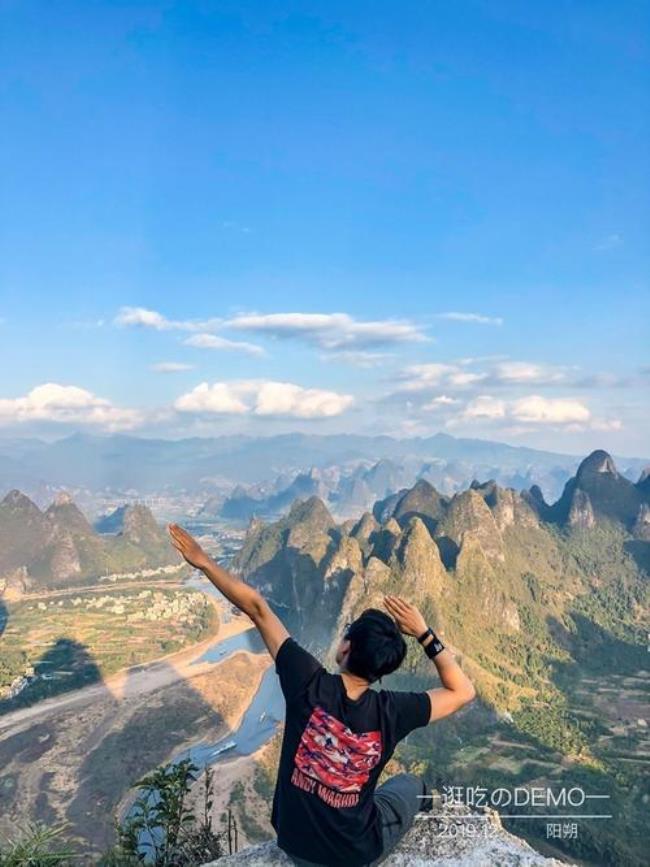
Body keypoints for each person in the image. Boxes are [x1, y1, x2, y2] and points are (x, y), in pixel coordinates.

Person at [168, 523, 476, 867]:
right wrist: (424, 633)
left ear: (345, 648)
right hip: (356, 855)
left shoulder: (306, 681)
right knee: (410, 784)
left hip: (295, 845)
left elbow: (257, 608)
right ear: (384, 669)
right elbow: (463, 691)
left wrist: (205, 562)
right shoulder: (395, 710)